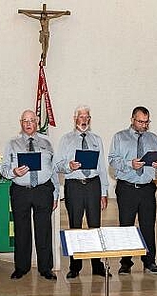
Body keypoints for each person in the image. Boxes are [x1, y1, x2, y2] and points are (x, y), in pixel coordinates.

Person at [2, 110, 59, 280]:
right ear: (21, 123)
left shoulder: (47, 143)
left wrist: (55, 193)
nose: (28, 124)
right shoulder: (12, 144)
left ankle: (45, 268)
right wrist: (14, 171)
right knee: (21, 230)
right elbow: (4, 169)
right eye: (25, 121)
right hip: (21, 191)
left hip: (43, 190)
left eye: (31, 120)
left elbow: (53, 169)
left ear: (37, 122)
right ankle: (21, 267)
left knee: (44, 231)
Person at [108, 106, 157, 275]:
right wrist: (129, 164)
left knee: (148, 226)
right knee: (126, 226)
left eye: (147, 122)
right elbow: (112, 160)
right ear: (132, 119)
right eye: (140, 121)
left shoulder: (153, 138)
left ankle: (149, 261)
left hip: (147, 188)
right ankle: (125, 262)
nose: (144, 125)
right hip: (127, 188)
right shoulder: (120, 137)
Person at [55, 105, 111, 278]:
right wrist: (68, 166)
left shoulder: (96, 139)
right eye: (81, 117)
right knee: (75, 226)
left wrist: (104, 191)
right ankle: (75, 265)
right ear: (75, 119)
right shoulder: (66, 140)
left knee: (95, 226)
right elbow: (57, 165)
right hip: (74, 185)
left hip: (93, 185)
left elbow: (102, 166)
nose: (84, 120)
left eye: (87, 117)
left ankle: (97, 265)